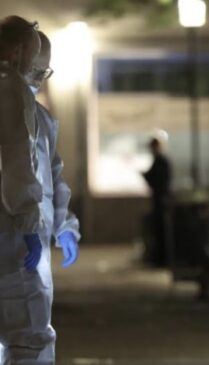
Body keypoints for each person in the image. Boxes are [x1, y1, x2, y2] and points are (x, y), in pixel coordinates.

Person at [0, 17, 79, 363]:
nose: (37, 79)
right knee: (28, 337)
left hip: (18, 236)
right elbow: (23, 165)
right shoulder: (13, 92)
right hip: (15, 242)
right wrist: (32, 227)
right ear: (19, 53)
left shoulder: (37, 114)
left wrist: (64, 225)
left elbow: (51, 177)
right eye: (36, 69)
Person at [142, 137, 172, 266]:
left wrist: (146, 176)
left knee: (161, 231)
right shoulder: (161, 161)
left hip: (161, 200)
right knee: (159, 230)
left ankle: (161, 259)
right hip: (160, 199)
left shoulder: (161, 161)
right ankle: (161, 258)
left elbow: (156, 180)